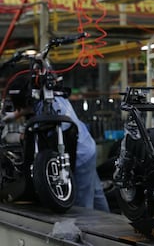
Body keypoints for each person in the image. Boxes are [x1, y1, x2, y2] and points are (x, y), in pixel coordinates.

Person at [2, 74, 110, 213]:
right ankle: (106, 216)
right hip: (87, 147)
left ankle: (89, 231)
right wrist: (13, 116)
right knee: (96, 193)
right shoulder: (52, 96)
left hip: (79, 156)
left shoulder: (47, 109)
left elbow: (41, 133)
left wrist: (22, 136)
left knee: (83, 205)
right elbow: (29, 109)